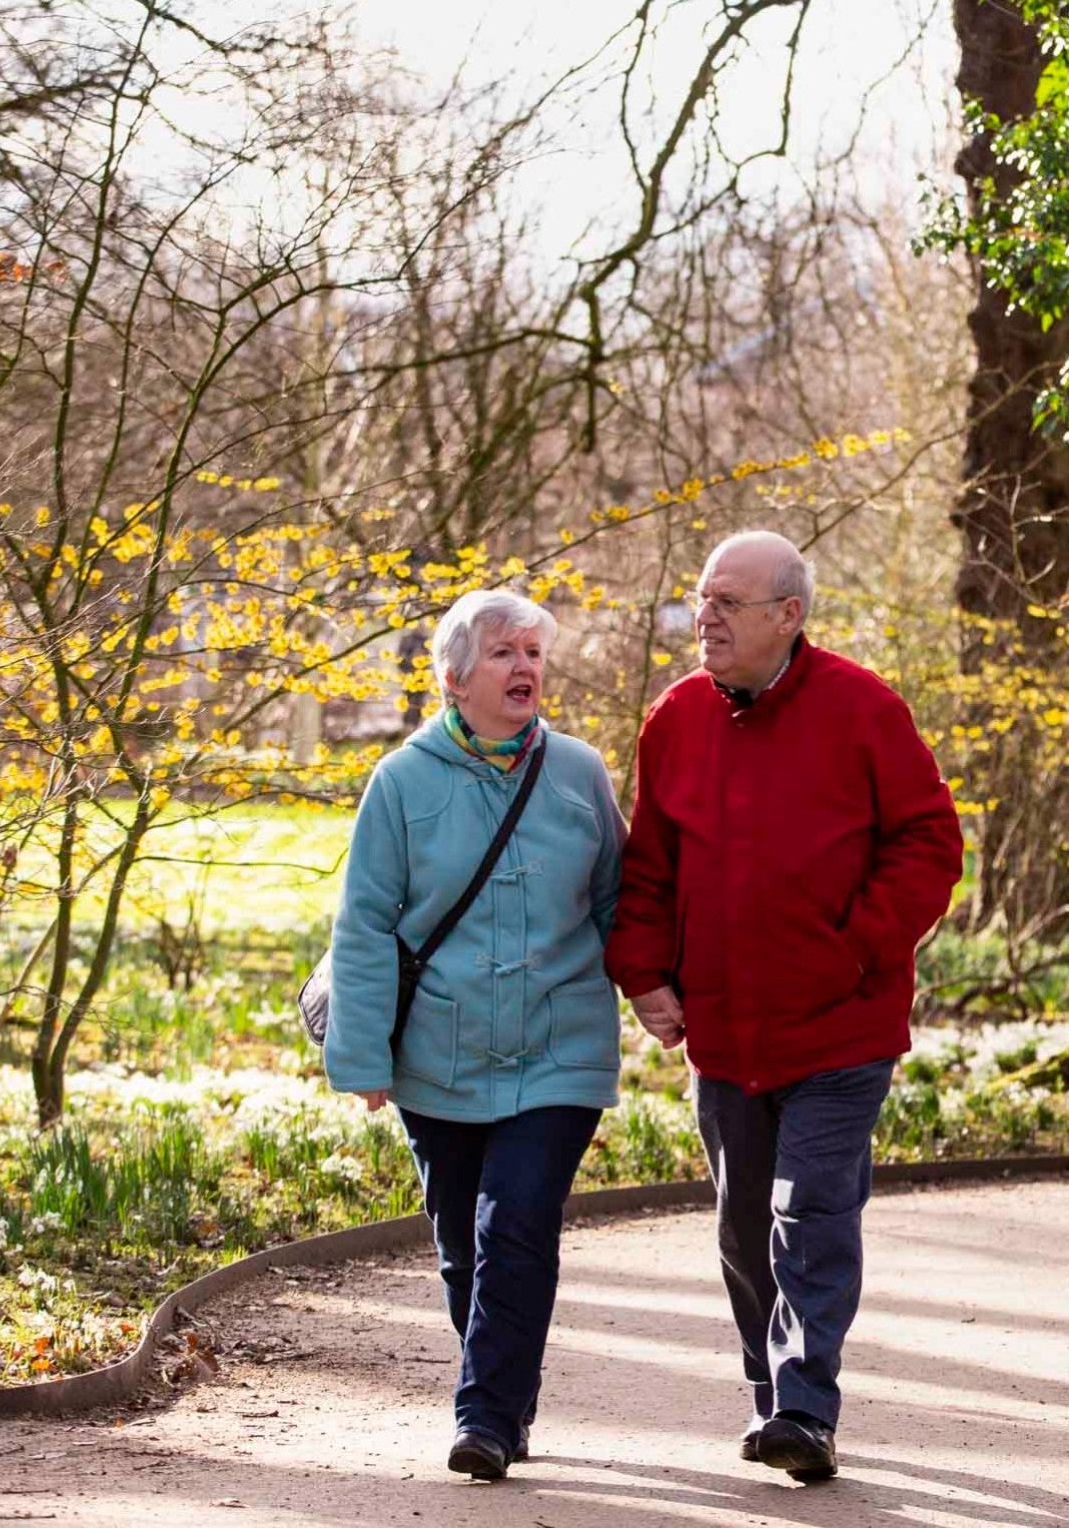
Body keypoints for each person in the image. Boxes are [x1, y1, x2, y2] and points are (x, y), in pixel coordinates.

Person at [606, 531, 964, 1483]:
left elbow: (930, 844)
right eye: (700, 600)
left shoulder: (863, 709)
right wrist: (643, 973)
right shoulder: (675, 719)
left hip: (840, 1027)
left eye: (728, 601)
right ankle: (774, 1399)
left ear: (788, 616)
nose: (706, 618)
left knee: (809, 1212)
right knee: (741, 1229)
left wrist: (853, 947)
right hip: (725, 1031)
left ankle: (806, 1407)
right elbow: (648, 868)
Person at [324, 588, 626, 1482]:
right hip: (439, 1051)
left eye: (533, 652)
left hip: (559, 1048)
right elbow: (367, 925)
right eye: (503, 653)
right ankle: (506, 1392)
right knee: (463, 1242)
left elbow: (621, 902)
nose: (524, 667)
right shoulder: (400, 781)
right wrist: (364, 1054)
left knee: (518, 1225)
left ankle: (485, 1416)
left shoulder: (578, 773)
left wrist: (659, 991)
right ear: (454, 678)